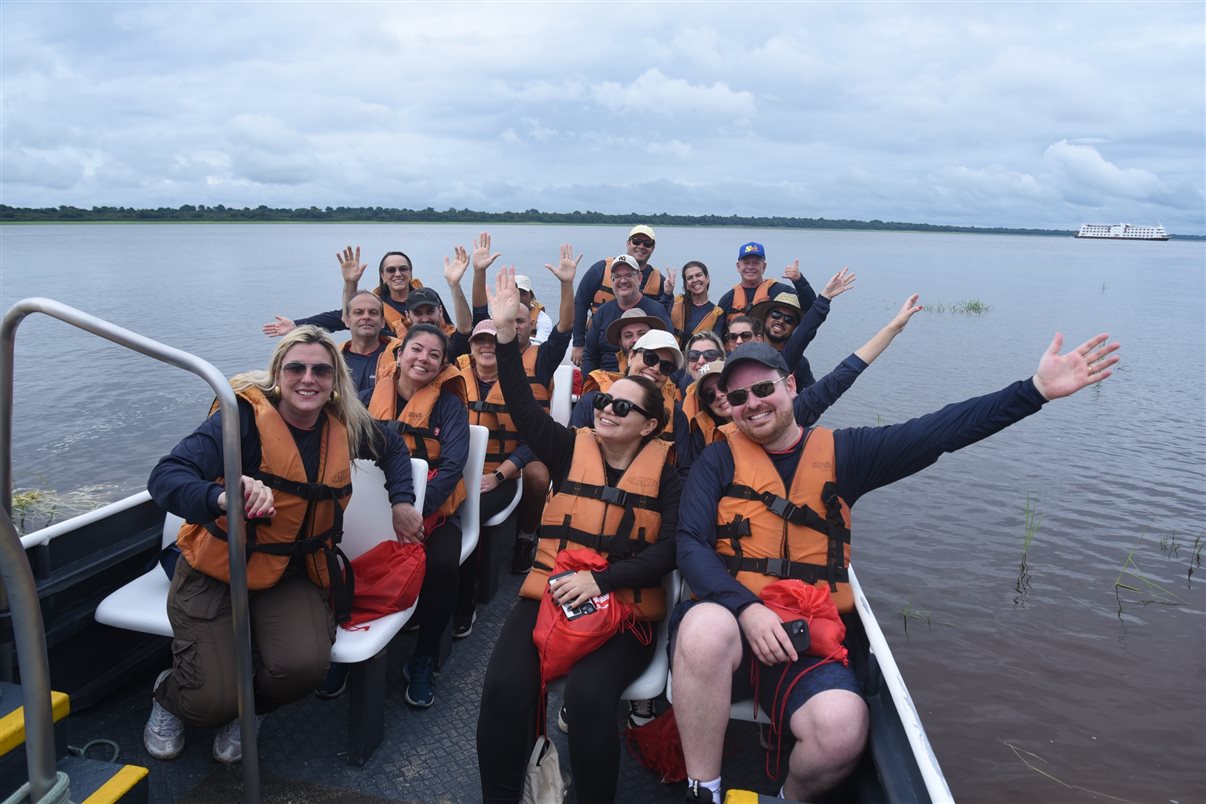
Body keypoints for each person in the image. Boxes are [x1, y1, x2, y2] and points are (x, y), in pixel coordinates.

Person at [672, 330, 1120, 803]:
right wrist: (747, 610)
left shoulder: (847, 454)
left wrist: (1033, 392)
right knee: (703, 626)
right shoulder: (717, 460)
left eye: (764, 389)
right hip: (733, 634)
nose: (752, 404)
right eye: (738, 396)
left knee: (842, 730)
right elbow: (691, 545)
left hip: (807, 634)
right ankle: (706, 791)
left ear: (790, 387)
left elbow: (940, 431)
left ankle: (787, 798)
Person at [142, 325, 420, 763]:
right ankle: (170, 695)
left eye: (321, 371)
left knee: (304, 669)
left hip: (291, 573)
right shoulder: (240, 423)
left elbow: (395, 450)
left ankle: (251, 707)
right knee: (208, 702)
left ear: (335, 382)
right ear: (278, 374)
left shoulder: (344, 426)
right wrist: (220, 495)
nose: (308, 379)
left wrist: (402, 501)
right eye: (296, 368)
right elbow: (166, 475)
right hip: (218, 570)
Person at [477, 267, 681, 803]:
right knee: (503, 689)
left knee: (591, 699)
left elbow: (671, 548)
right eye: (606, 401)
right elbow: (522, 404)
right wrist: (504, 337)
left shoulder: (669, 472)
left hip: (625, 608)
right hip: (553, 591)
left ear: (650, 425)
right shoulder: (569, 448)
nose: (608, 409)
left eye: (624, 407)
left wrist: (604, 581)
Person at [679, 295, 925, 472]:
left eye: (724, 389)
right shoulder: (700, 435)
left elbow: (836, 380)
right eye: (709, 395)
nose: (718, 396)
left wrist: (891, 330)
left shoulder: (782, 413)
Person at [365, 323, 470, 709]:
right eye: (416, 350)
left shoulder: (450, 407)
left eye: (434, 355)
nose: (423, 359)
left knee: (444, 565)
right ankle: (343, 643)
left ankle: (424, 656)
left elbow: (455, 465)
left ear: (442, 365)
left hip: (434, 514)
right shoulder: (365, 399)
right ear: (399, 354)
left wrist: (416, 510)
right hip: (375, 508)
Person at [263, 247, 452, 338]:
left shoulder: (428, 298)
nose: (397, 274)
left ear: (410, 273)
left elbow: (450, 328)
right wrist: (297, 325)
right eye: (391, 270)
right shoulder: (375, 304)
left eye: (403, 269)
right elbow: (342, 319)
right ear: (382, 275)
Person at [571, 225, 669, 366]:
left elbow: (662, 317)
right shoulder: (600, 269)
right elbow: (580, 303)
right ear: (628, 243)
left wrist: (669, 294)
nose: (641, 246)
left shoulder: (660, 281)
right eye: (636, 241)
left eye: (647, 243)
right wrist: (578, 342)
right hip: (602, 344)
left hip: (640, 355)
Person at [748, 267, 857, 388]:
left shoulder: (798, 362)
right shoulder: (746, 348)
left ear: (795, 328)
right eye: (776, 314)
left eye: (789, 320)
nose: (781, 321)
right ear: (765, 317)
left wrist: (825, 297)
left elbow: (813, 397)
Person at [581, 255, 673, 373]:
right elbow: (590, 356)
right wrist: (588, 387)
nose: (623, 281)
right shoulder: (603, 312)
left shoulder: (656, 311)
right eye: (617, 276)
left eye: (629, 275)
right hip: (605, 379)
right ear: (612, 280)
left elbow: (668, 354)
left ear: (639, 278)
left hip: (644, 378)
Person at [715, 242, 816, 327]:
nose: (750, 267)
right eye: (746, 263)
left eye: (755, 263)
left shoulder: (782, 292)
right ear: (738, 266)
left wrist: (799, 280)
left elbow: (812, 309)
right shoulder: (727, 299)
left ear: (764, 266)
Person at [339, 290, 401, 394]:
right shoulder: (334, 358)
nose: (366, 317)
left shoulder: (398, 356)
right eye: (358, 312)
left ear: (382, 322)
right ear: (347, 320)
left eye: (373, 312)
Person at [668, 260, 725, 347]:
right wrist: (667, 294)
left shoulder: (717, 314)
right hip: (673, 355)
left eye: (699, 275)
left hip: (698, 358)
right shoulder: (674, 303)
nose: (695, 280)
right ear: (686, 285)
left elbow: (715, 345)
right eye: (690, 278)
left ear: (707, 278)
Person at [515, 274, 553, 344]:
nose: (519, 298)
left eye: (523, 293)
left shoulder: (543, 320)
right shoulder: (500, 317)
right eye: (515, 293)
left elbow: (540, 345)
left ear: (531, 296)